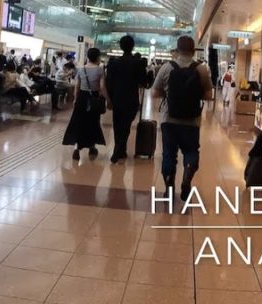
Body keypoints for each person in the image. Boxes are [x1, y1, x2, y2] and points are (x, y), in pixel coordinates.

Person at [152, 36, 214, 201]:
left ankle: (169, 186)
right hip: (191, 121)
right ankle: (187, 176)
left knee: (168, 155)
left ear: (176, 50)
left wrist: (168, 94)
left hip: (169, 120)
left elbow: (154, 93)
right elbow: (209, 95)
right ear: (194, 51)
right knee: (191, 151)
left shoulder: (167, 68)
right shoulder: (201, 69)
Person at [105, 35, 147, 164]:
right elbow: (143, 81)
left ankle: (120, 150)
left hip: (117, 98)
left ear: (120, 46)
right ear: (133, 46)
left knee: (117, 125)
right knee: (126, 124)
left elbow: (109, 82)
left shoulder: (113, 62)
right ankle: (118, 150)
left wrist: (109, 99)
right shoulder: (137, 62)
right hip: (131, 98)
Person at [62, 47, 108, 160]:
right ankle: (92, 148)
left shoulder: (80, 69)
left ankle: (76, 148)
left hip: (82, 98)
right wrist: (108, 99)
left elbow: (77, 86)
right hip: (94, 99)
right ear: (98, 57)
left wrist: (75, 99)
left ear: (87, 57)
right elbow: (102, 87)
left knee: (79, 122)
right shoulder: (100, 70)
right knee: (93, 122)